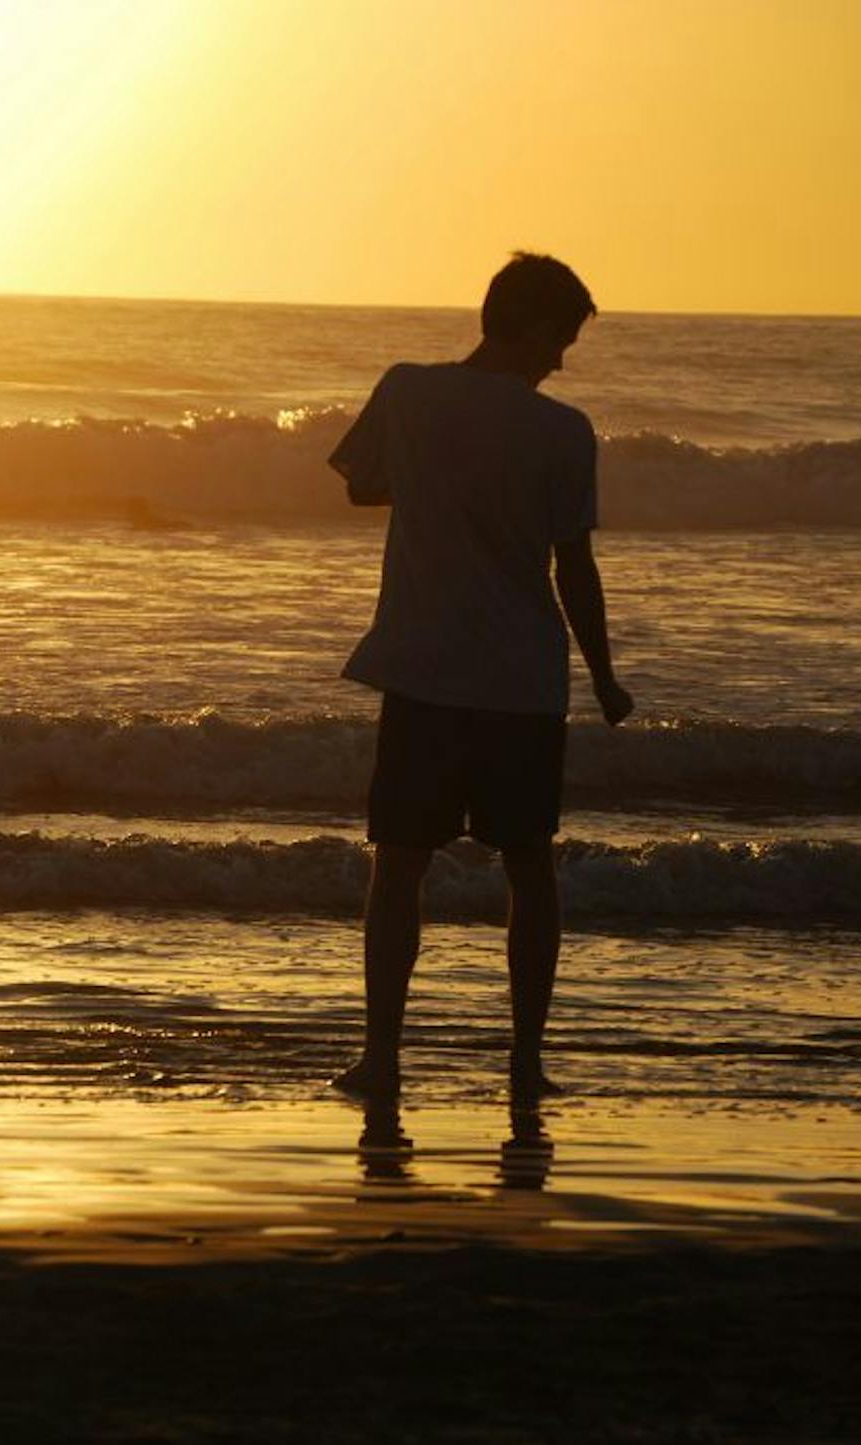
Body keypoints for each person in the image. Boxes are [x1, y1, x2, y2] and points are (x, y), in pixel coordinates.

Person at [328, 251, 632, 1104]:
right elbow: (575, 569)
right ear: (531, 327)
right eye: (562, 339)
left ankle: (381, 1057)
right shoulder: (562, 432)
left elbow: (362, 488)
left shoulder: (409, 392)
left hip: (421, 671)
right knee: (530, 869)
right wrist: (605, 676)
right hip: (521, 682)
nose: (562, 360)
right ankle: (525, 1062)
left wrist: (440, 483)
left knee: (400, 865)